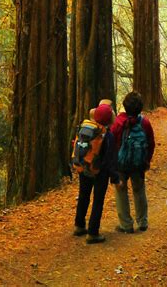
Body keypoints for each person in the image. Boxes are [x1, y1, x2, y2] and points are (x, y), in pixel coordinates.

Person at [73, 103, 121, 244]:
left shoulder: (87, 128)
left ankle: (79, 225)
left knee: (83, 196)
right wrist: (115, 178)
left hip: (84, 167)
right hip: (100, 172)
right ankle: (93, 233)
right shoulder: (108, 136)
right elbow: (110, 160)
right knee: (98, 201)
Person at [111, 91, 155, 233]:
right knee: (139, 190)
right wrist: (146, 160)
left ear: (125, 105)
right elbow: (150, 143)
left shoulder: (118, 122)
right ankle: (142, 222)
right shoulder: (144, 122)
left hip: (120, 163)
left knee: (121, 191)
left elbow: (111, 143)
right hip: (138, 163)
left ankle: (126, 224)